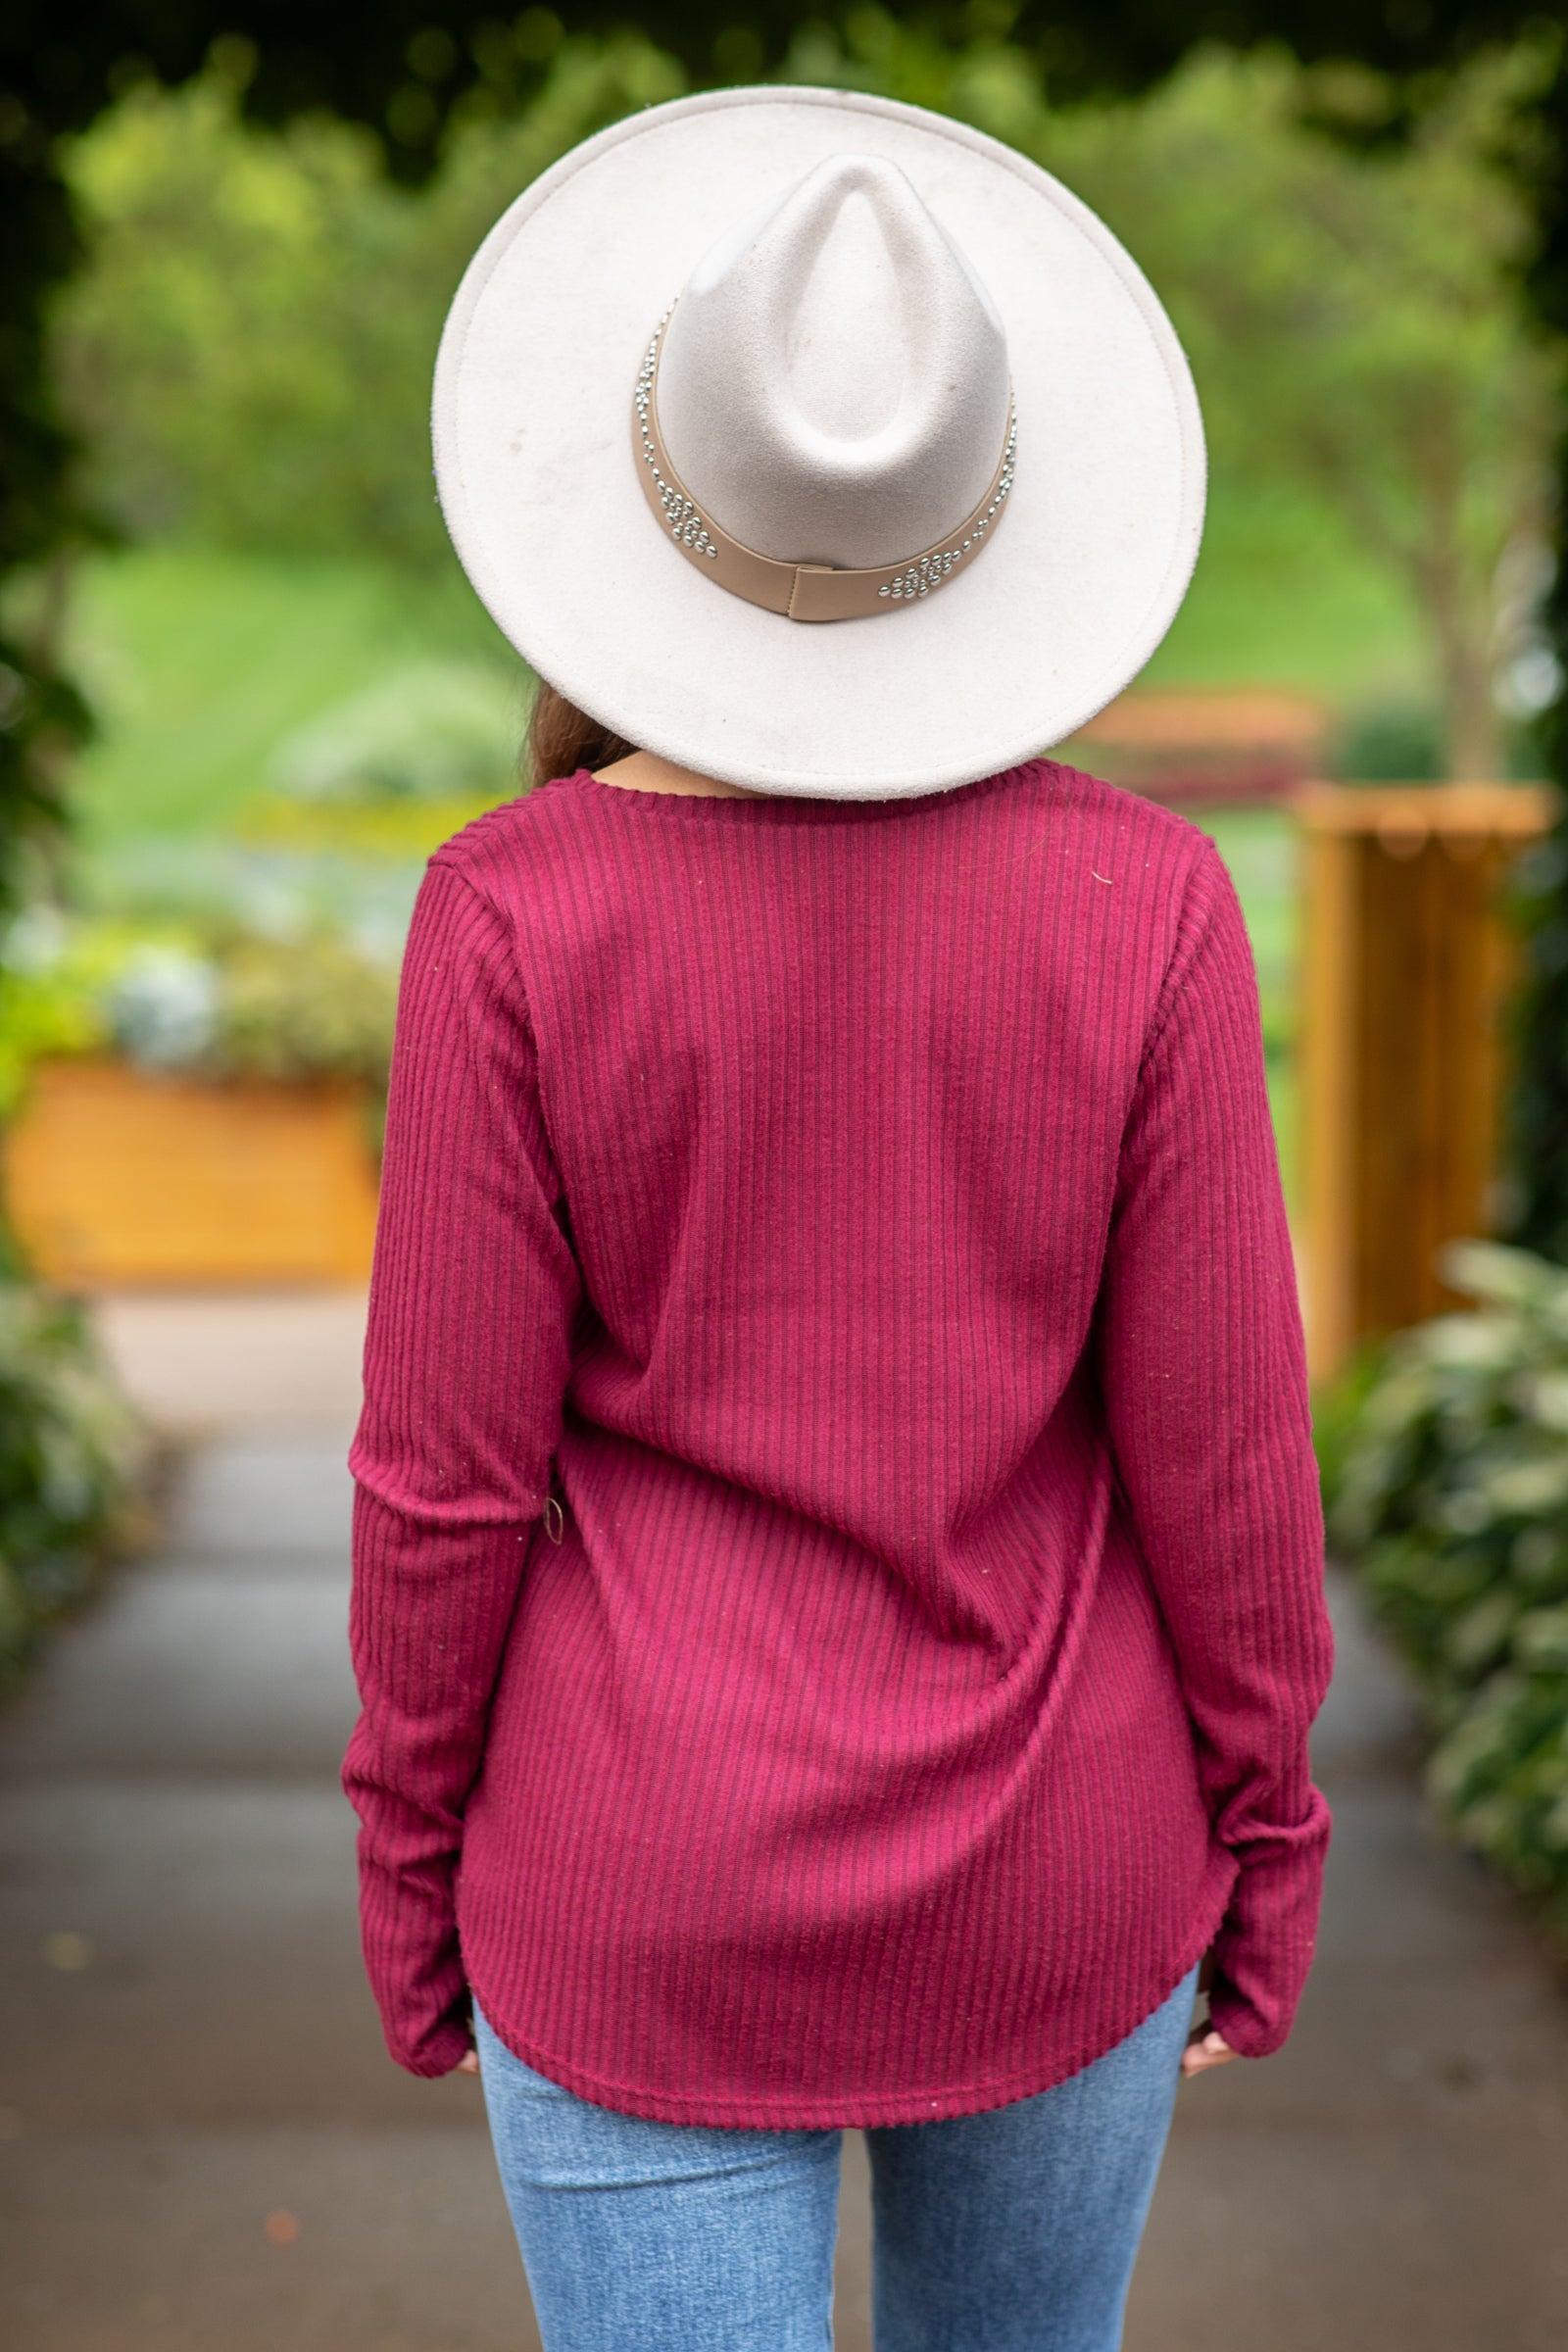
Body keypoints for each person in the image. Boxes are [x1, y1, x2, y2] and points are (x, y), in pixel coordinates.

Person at [341, 85, 1335, 2352]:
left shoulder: (513, 911)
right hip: (1055, 1874)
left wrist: (413, 1867)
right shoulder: (1143, 903)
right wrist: (1262, 1834)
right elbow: (1222, 1454)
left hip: (632, 1890)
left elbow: (443, 1481)